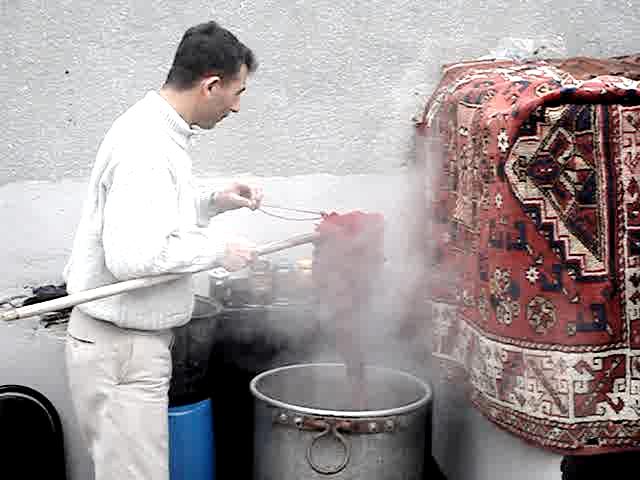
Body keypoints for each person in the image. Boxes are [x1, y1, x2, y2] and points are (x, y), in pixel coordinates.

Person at [63, 21, 261, 480]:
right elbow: (134, 257)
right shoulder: (147, 148)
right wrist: (217, 251)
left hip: (126, 346)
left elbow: (151, 218)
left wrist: (213, 201)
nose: (237, 106)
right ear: (211, 85)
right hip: (121, 349)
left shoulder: (156, 130)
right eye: (237, 92)